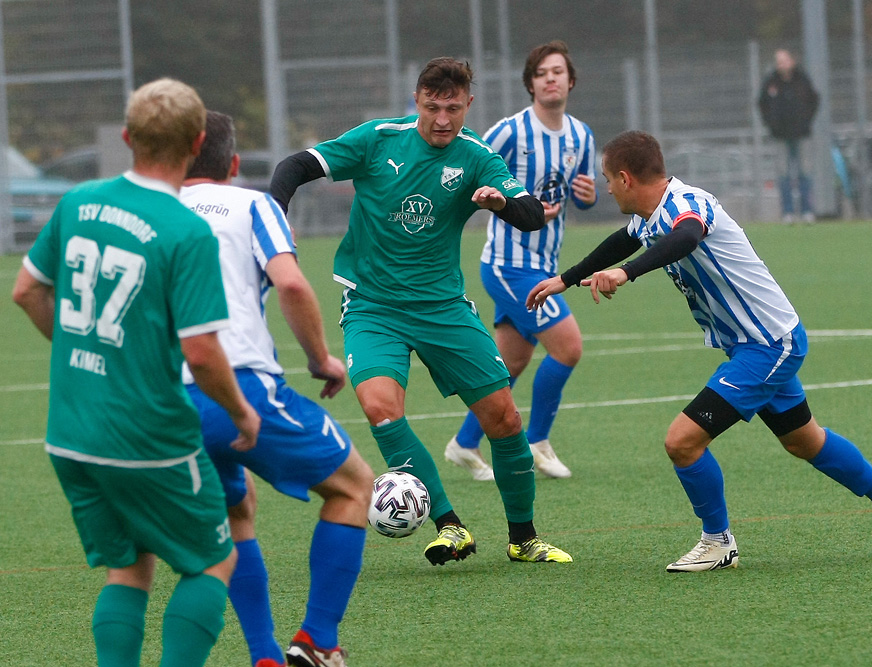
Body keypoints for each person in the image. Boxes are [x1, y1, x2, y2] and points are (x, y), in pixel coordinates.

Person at [527, 130, 872, 572]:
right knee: (804, 440)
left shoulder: (686, 205)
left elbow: (686, 238)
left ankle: (718, 542)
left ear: (625, 178)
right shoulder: (650, 213)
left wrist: (627, 274)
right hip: (752, 346)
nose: (605, 187)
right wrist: (564, 280)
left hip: (768, 344)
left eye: (607, 178)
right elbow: (624, 240)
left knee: (682, 442)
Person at [269, 57, 572, 566]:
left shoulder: (477, 156)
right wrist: (274, 214)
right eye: (432, 107)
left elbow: (531, 215)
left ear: (468, 105)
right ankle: (450, 525)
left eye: (452, 108)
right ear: (417, 102)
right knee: (379, 408)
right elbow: (295, 167)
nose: (442, 119)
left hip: (442, 307)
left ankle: (523, 539)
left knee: (502, 417)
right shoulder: (377, 139)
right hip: (373, 306)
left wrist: (499, 204)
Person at [11, 78, 260, 666]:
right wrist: (242, 412)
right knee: (212, 561)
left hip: (70, 433)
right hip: (148, 439)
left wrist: (82, 355)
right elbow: (201, 353)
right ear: (198, 141)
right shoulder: (185, 229)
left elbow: (26, 291)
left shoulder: (77, 202)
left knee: (129, 565)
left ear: (127, 137)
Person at [181, 111, 373, 667]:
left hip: (163, 403)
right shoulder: (253, 205)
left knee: (237, 511)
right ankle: (318, 639)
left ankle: (264, 655)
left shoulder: (155, 213)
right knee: (354, 487)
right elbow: (289, 282)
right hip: (236, 387)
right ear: (234, 164)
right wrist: (321, 360)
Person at [445, 40, 596, 481]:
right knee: (568, 348)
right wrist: (498, 201)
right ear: (530, 83)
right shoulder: (511, 130)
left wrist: (587, 198)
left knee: (509, 364)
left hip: (545, 264)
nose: (550, 78)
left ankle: (464, 443)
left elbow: (580, 196)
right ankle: (537, 441)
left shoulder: (581, 136)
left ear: (570, 81)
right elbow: (470, 158)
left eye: (558, 71)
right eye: (542, 72)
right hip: (508, 264)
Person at [758, 48, 819, 222]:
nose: (781, 65)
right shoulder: (771, 83)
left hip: (802, 134)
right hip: (780, 137)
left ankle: (807, 211)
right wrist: (772, 124)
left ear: (791, 61)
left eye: (784, 60)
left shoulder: (802, 80)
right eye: (778, 61)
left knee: (805, 173)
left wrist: (805, 121)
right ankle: (788, 212)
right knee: (783, 174)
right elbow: (762, 104)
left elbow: (814, 100)